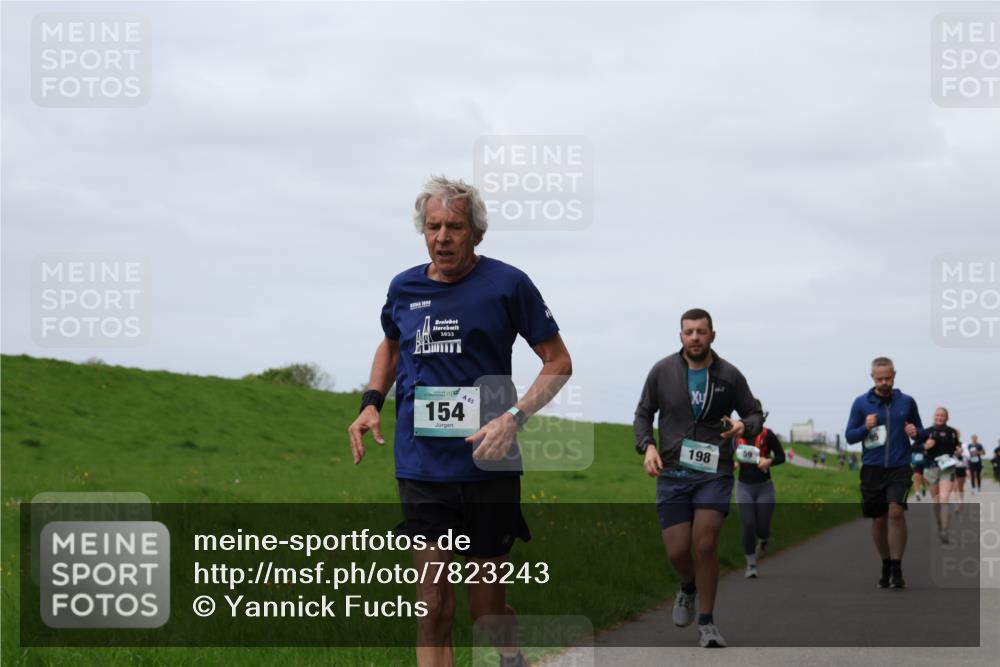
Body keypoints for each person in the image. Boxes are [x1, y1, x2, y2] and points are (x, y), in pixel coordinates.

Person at [347, 176, 572, 667]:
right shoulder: (403, 288)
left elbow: (558, 362)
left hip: (488, 465)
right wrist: (371, 401)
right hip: (423, 465)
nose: (442, 237)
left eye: (454, 226)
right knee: (432, 606)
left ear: (476, 233)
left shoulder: (508, 284)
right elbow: (391, 344)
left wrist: (513, 418)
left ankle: (510, 655)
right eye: (433, 227)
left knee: (486, 611)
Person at [634, 308, 763, 648]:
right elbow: (643, 414)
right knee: (678, 551)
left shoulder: (729, 376)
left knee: (705, 543)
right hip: (673, 473)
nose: (695, 337)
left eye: (701, 332)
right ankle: (688, 585)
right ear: (681, 336)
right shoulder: (662, 372)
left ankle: (707, 623)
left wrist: (743, 426)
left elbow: (753, 412)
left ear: (712, 335)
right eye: (689, 331)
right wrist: (647, 446)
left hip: (713, 472)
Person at [845, 357, 925, 589]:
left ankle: (897, 567)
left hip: (899, 466)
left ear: (894, 375)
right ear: (872, 377)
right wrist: (864, 427)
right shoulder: (861, 403)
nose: (884, 382)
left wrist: (915, 432)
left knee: (896, 513)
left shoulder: (907, 402)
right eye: (879, 378)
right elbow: (850, 436)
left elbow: (920, 430)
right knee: (879, 519)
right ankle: (886, 562)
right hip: (872, 468)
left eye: (888, 378)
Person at [734, 409, 785, 578]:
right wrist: (732, 463)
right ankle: (751, 564)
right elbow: (726, 455)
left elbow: (781, 456)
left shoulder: (767, 435)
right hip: (743, 487)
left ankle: (763, 540)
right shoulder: (735, 436)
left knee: (762, 526)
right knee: (748, 524)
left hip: (764, 487)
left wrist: (769, 461)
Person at [920, 407, 961, 542]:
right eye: (938, 415)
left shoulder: (952, 432)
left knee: (944, 499)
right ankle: (939, 524)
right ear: (934, 416)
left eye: (943, 415)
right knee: (936, 501)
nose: (940, 417)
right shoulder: (927, 432)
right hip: (931, 468)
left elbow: (956, 447)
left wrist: (958, 451)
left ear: (947, 417)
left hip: (947, 468)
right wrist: (925, 446)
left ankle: (944, 530)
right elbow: (915, 448)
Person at [910, 435, 928, 502]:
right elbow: (911, 450)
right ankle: (917, 494)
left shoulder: (927, 443)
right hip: (917, 464)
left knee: (923, 478)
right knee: (916, 477)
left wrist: (925, 452)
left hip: (926, 464)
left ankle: (923, 486)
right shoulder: (914, 444)